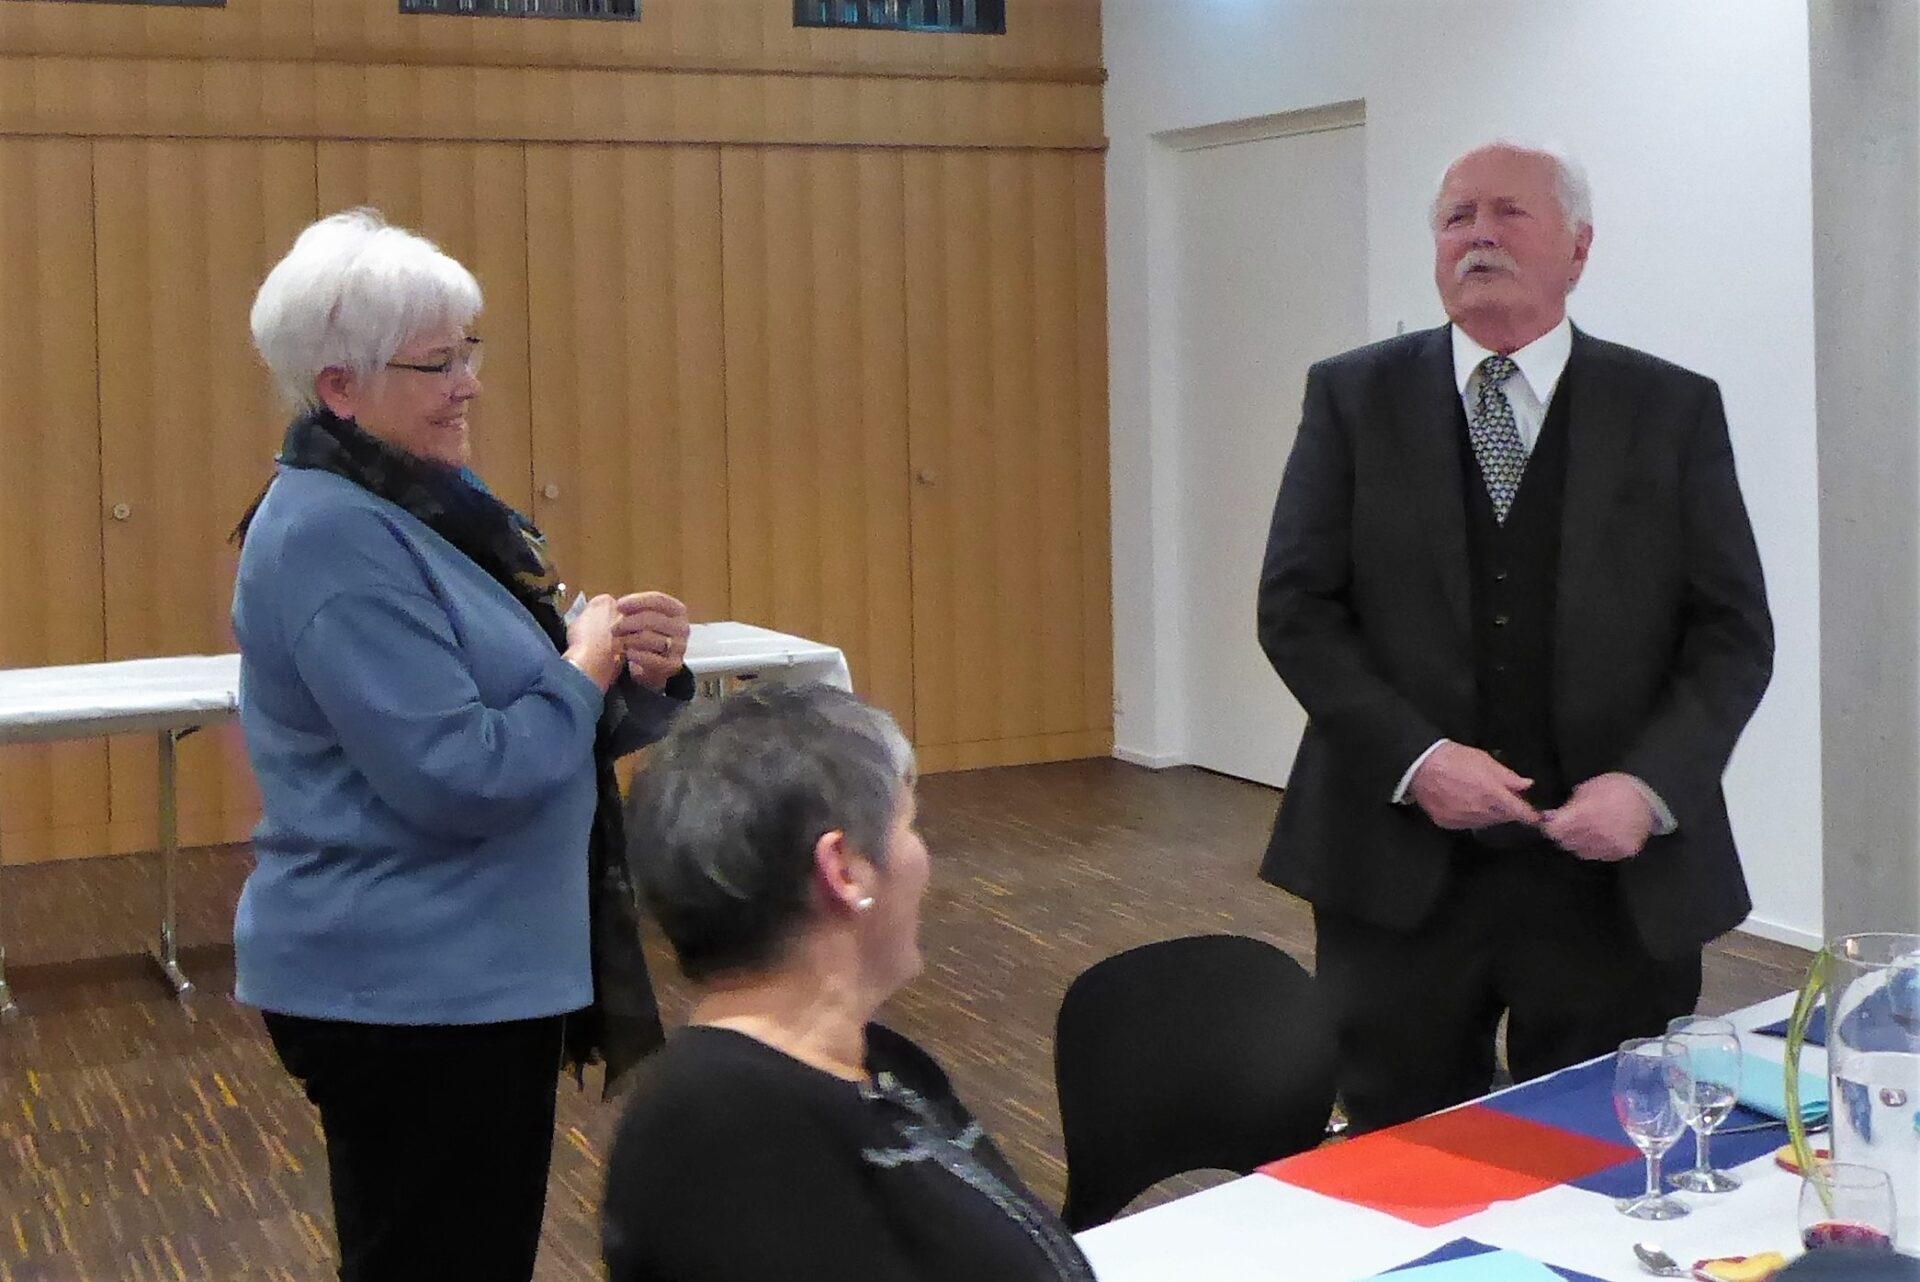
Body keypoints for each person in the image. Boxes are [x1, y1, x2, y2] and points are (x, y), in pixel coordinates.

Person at [1256, 142, 1774, 1133]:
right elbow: (1296, 608)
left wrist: (1651, 786)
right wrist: (1416, 758)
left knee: (1607, 1147)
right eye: (1457, 218)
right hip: (1398, 868)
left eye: (1508, 213)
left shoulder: (1669, 408)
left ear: (1579, 249)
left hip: (1609, 873)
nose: (1478, 236)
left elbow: (1733, 632)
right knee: (1401, 1149)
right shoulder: (1353, 398)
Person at [230, 208, 694, 1282]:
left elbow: (519, 702)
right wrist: (582, 668)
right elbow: (464, 773)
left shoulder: (423, 508)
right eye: (436, 363)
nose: (468, 384)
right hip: (410, 991)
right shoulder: (332, 534)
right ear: (339, 386)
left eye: (467, 352)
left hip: (462, 972)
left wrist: (631, 671)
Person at [603, 682, 1096, 1282]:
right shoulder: (721, 1134)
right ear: (843, 870)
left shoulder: (872, 1063)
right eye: (909, 825)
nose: (923, 857)